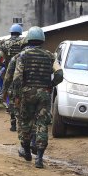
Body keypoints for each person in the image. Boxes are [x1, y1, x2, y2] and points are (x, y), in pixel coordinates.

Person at [13, 26, 63, 168]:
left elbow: (17, 78)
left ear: (28, 39)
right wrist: (50, 84)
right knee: (42, 125)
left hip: (27, 93)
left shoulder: (23, 55)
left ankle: (27, 152)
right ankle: (39, 158)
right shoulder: (50, 55)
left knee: (26, 123)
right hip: (44, 94)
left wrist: (17, 95)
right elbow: (60, 74)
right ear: (42, 40)